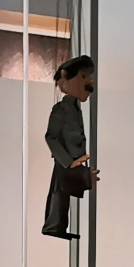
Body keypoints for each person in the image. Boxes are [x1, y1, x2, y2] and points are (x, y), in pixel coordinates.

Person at [42, 55, 97, 240]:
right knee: (58, 193)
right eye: (84, 76)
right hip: (65, 160)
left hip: (74, 159)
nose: (90, 81)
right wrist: (67, 161)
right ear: (66, 78)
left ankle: (56, 226)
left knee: (62, 193)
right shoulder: (61, 109)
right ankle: (53, 225)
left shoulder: (75, 109)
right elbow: (51, 137)